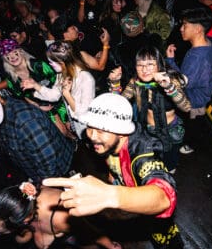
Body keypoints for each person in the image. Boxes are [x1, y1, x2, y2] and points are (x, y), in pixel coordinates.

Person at [43, 93, 184, 249]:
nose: (92, 136)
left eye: (101, 130)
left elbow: (163, 197)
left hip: (153, 214)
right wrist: (114, 177)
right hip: (132, 195)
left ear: (122, 132)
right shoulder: (107, 142)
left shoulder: (144, 153)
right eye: (90, 127)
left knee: (164, 238)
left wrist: (110, 195)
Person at [0, 85, 75, 185]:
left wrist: (39, 186)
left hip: (61, 175)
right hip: (40, 174)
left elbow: (49, 164)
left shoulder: (25, 121)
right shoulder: (2, 116)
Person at [108, 45, 191, 172]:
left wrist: (169, 87)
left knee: (169, 165)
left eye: (150, 64)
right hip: (149, 130)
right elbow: (120, 103)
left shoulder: (170, 80)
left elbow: (186, 107)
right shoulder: (136, 81)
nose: (144, 69)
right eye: (140, 65)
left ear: (158, 64)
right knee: (151, 162)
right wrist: (115, 83)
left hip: (171, 131)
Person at [166, 6, 212, 154]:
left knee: (190, 125)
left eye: (185, 25)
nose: (181, 28)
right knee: (196, 123)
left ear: (198, 29)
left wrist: (170, 60)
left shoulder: (196, 57)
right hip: (204, 92)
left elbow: (183, 83)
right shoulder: (209, 42)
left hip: (193, 100)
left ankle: (189, 144)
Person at [0, 181, 121, 248]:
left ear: (25, 219)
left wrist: (110, 246)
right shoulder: (19, 201)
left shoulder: (59, 217)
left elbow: (90, 233)